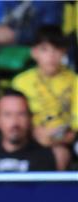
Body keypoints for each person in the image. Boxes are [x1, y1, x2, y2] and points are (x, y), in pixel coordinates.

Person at [12, 25, 76, 171]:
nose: (51, 56)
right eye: (45, 49)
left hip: (63, 141)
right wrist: (34, 133)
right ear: (34, 52)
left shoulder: (75, 81)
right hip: (26, 138)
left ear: (64, 51)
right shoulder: (20, 82)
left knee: (60, 154)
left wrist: (55, 139)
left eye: (57, 49)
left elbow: (75, 127)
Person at [0, 90, 57, 172]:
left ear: (30, 118)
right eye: (7, 114)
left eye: (21, 114)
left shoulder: (44, 157)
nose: (15, 122)